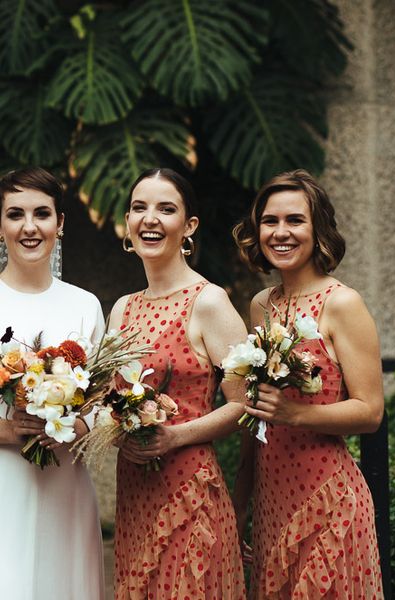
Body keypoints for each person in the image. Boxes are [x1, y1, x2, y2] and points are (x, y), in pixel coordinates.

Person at [233, 169, 384, 599]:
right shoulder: (261, 304)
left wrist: (296, 413)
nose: (280, 233)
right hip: (272, 503)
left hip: (328, 500)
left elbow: (370, 411)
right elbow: (256, 415)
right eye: (269, 221)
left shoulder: (343, 304)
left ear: (318, 228)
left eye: (294, 220)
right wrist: (240, 504)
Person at [109, 168, 247, 599]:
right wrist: (119, 431)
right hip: (135, 492)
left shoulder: (209, 301)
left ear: (188, 227)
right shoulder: (122, 309)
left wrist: (173, 436)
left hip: (190, 491)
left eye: (165, 209)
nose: (150, 218)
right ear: (128, 224)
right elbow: (111, 401)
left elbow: (245, 403)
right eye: (139, 207)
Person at [0, 167, 105, 600]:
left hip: (65, 485)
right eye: (15, 214)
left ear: (60, 223)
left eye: (42, 213)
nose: (30, 226)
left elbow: (102, 404)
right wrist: (10, 431)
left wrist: (77, 427)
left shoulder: (84, 305)